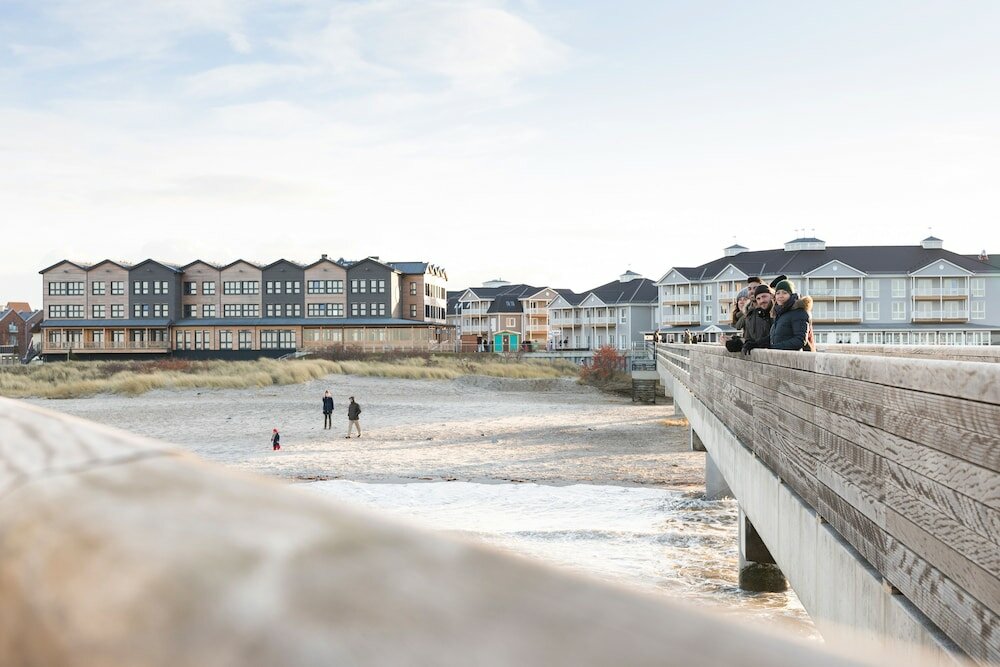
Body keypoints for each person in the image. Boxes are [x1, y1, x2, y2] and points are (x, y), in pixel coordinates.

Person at [760, 279, 813, 352]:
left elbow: (800, 340)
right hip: (779, 358)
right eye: (778, 293)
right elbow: (776, 336)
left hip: (793, 359)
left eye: (784, 293)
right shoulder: (780, 313)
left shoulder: (799, 312)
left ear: (791, 295)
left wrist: (774, 347)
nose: (780, 296)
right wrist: (756, 344)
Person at [740, 284, 776, 355]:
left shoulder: (777, 312)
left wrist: (756, 344)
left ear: (771, 296)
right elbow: (751, 337)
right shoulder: (758, 314)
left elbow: (775, 336)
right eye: (758, 299)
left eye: (764, 296)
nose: (762, 301)